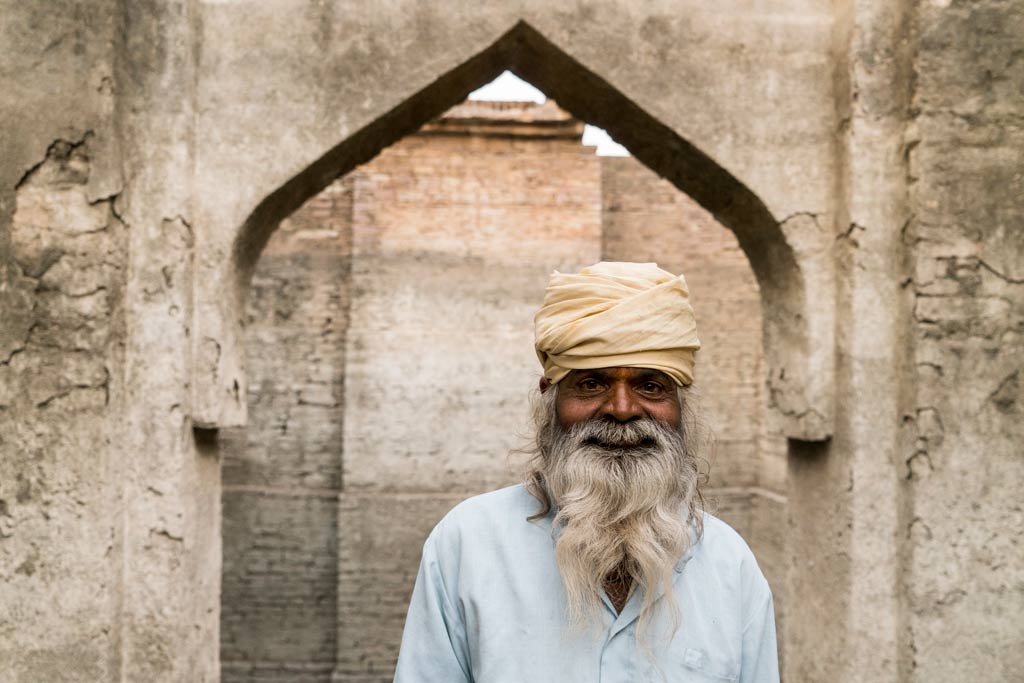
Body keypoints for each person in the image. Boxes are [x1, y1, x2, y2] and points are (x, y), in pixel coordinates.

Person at [394, 262, 779, 682]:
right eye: (592, 384)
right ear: (550, 397)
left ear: (679, 405)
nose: (622, 409)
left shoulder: (728, 564)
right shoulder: (468, 544)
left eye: (650, 386)